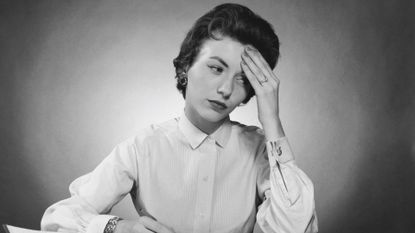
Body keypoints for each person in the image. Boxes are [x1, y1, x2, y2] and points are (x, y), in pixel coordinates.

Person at [41, 3, 318, 233]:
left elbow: (295, 227)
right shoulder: (143, 147)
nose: (225, 89)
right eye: (215, 68)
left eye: (242, 80)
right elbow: (58, 218)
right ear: (186, 66)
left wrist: (271, 119)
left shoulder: (258, 150)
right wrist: (117, 227)